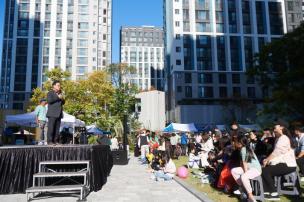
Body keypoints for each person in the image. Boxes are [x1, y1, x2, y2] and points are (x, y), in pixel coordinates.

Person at [261, 120, 297, 201]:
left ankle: (274, 194)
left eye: (276, 125)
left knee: (266, 171)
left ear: (281, 127)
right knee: (265, 169)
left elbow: (277, 152)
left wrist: (267, 160)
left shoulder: (284, 138)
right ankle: (267, 192)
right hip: (282, 163)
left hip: (288, 165)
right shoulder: (279, 138)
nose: (274, 126)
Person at [231, 135, 262, 202]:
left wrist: (245, 173)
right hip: (249, 168)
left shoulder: (243, 149)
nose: (234, 143)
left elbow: (244, 163)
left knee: (244, 176)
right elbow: (242, 163)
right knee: (234, 171)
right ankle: (242, 187)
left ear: (240, 143)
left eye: (235, 142)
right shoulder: (243, 149)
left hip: (255, 169)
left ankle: (250, 196)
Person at [46, 80, 65, 145]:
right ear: (54, 86)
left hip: (59, 113)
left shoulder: (60, 93)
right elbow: (49, 101)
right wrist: (58, 97)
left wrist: (62, 98)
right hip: (52, 113)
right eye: (58, 85)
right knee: (51, 128)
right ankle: (50, 141)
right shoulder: (50, 93)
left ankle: (56, 141)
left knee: (57, 129)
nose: (59, 87)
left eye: (60, 85)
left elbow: (63, 103)